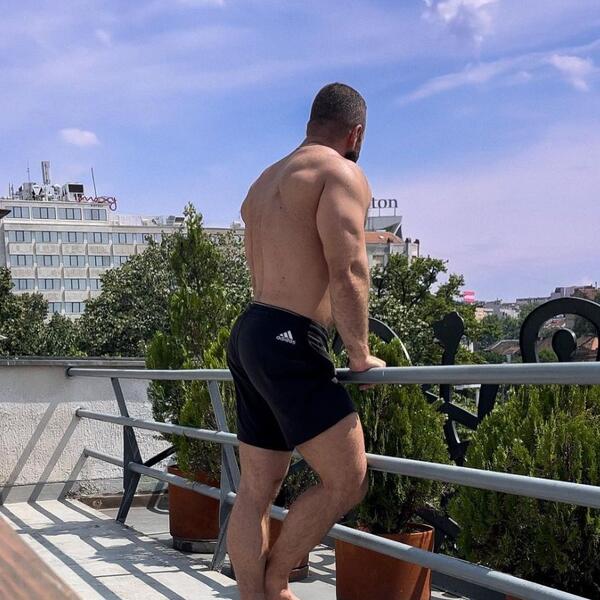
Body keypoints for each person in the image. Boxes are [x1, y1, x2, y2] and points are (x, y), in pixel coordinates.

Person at [226, 82, 386, 600]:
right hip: (290, 338)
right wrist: (360, 355)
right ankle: (276, 582)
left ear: (311, 123)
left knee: (255, 490)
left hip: (252, 331)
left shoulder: (264, 182)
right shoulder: (339, 172)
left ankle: (254, 595)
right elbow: (349, 269)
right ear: (355, 133)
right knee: (348, 479)